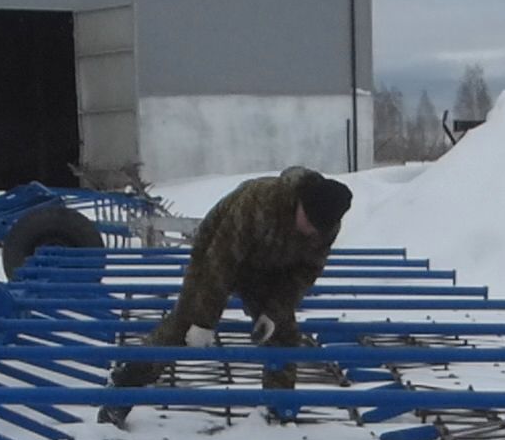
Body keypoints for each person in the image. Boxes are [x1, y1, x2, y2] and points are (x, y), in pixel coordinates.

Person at [99, 166, 353, 426]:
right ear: (300, 203)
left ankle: (277, 410)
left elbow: (305, 271)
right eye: (308, 223)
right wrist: (204, 321)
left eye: (317, 229)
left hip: (269, 268)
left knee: (284, 335)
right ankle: (122, 389)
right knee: (182, 325)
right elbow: (221, 262)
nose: (311, 232)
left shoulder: (324, 226)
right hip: (216, 251)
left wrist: (274, 311)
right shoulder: (259, 202)